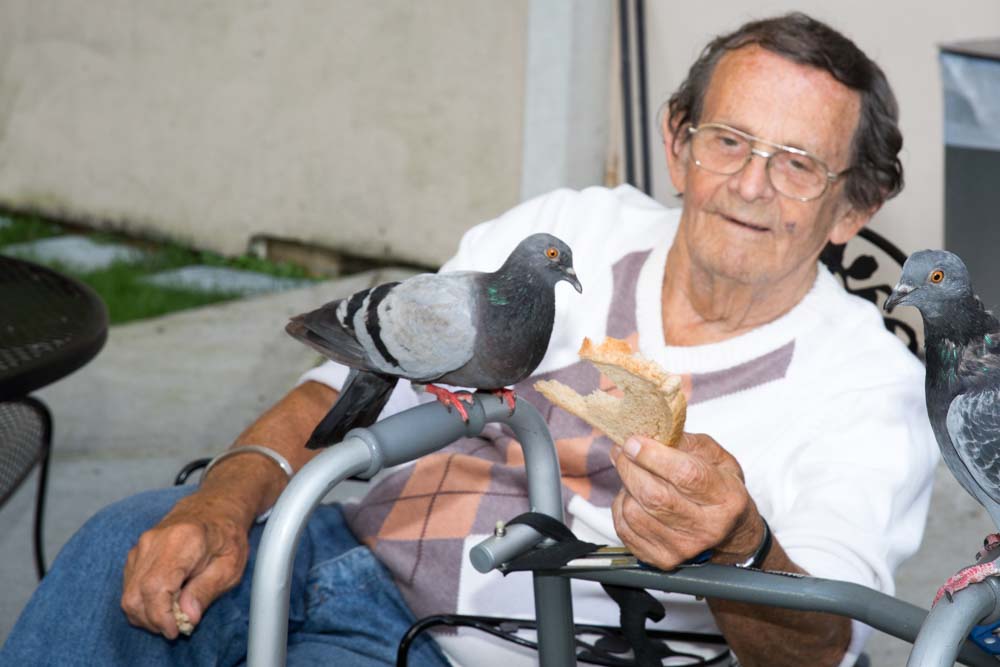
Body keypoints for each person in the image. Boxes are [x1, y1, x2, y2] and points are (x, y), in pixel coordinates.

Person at [1, 12, 937, 667]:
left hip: (484, 647)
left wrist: (737, 548)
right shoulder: (575, 226)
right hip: (336, 547)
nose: (748, 183)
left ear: (854, 206)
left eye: (798, 163)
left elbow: (822, 649)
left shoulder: (867, 385)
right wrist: (225, 497)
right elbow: (339, 386)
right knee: (125, 542)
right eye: (729, 139)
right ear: (677, 141)